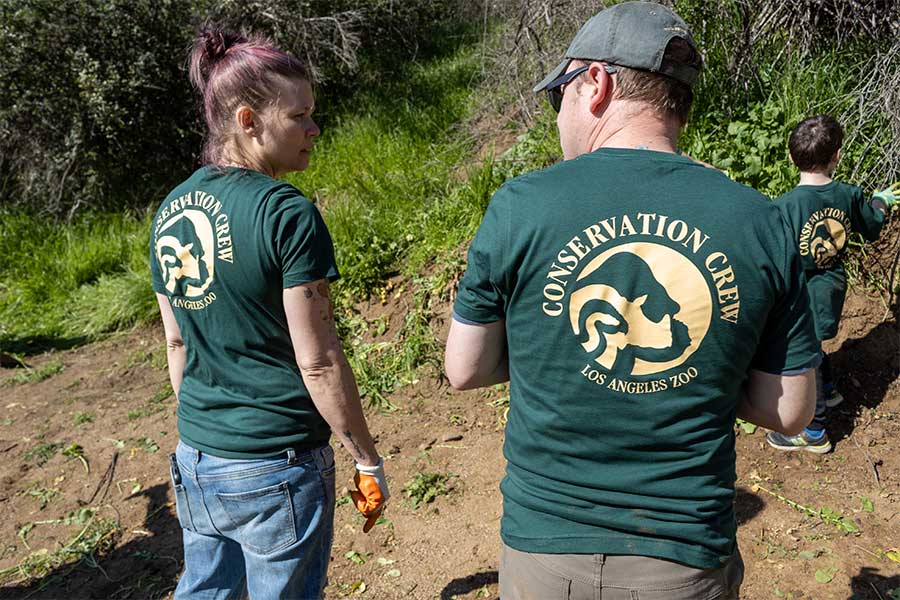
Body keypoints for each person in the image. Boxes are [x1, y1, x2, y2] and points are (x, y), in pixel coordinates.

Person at [444, 3, 819, 599]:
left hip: (545, 546)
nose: (558, 116)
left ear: (595, 84)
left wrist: (553, 355)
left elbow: (464, 369)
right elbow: (792, 411)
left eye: (558, 96)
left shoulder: (521, 204)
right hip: (683, 556)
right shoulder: (760, 221)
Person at [150, 27, 388, 599]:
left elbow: (177, 345)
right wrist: (366, 457)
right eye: (300, 116)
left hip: (197, 458)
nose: (314, 129)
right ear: (248, 121)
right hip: (275, 465)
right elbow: (320, 360)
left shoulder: (171, 207)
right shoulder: (286, 213)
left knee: (205, 590)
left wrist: (210, 432)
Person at [766, 115, 898, 453]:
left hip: (801, 292)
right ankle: (829, 388)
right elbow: (871, 226)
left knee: (801, 357)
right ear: (837, 155)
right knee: (815, 345)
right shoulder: (850, 195)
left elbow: (775, 256)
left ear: (791, 156)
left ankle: (814, 430)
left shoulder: (784, 207)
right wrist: (880, 202)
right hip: (833, 286)